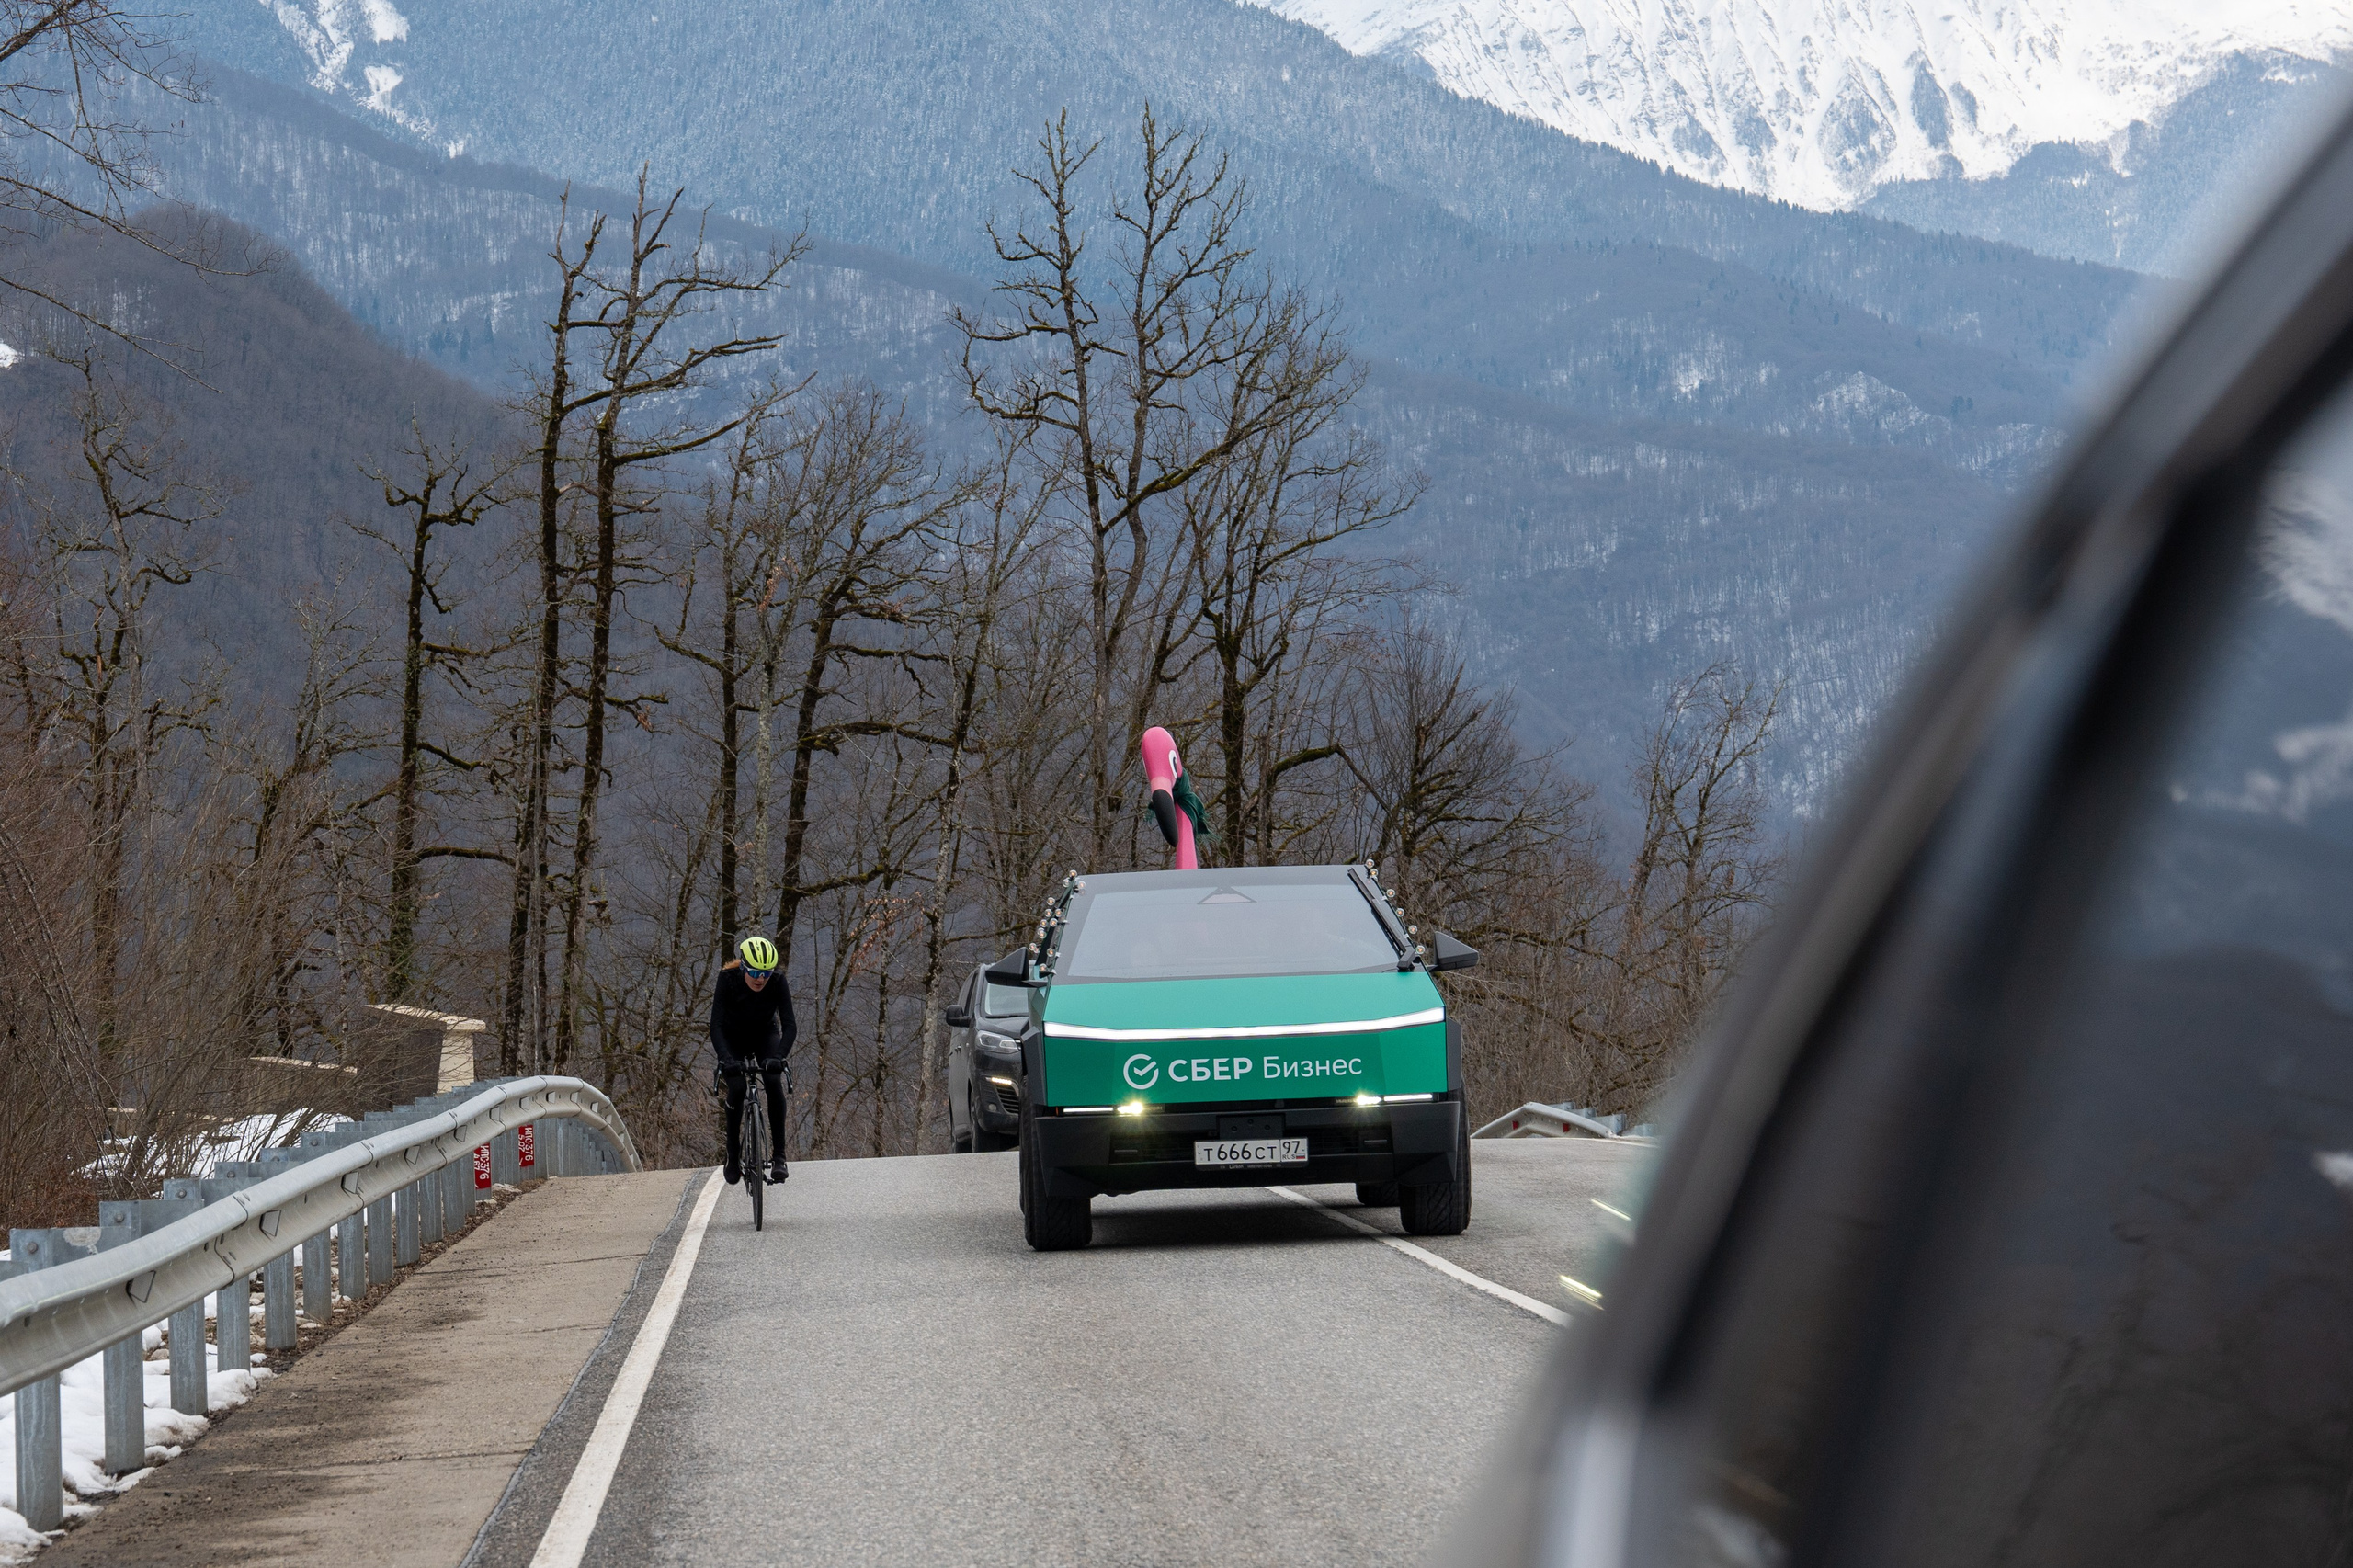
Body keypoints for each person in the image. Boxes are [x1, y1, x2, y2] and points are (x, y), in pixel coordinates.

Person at [712, 934, 796, 1185]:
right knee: (737, 1089)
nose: (761, 979)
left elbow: (790, 1025)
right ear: (744, 967)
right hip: (732, 1037)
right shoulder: (727, 979)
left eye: (766, 973)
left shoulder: (777, 981)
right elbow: (715, 1025)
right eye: (756, 972)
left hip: (764, 1034)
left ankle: (779, 1156)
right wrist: (726, 1059)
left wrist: (780, 1057)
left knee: (772, 1080)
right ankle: (733, 1155)